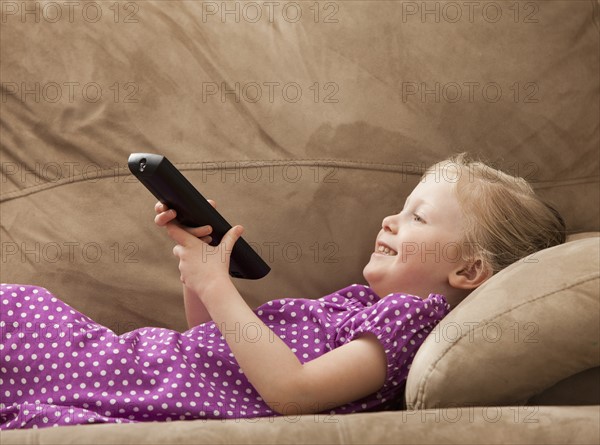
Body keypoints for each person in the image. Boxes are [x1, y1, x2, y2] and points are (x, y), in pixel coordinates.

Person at [0, 153, 566, 429]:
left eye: (418, 218)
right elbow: (214, 349)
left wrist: (216, 284)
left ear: (468, 272)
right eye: (400, 209)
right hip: (149, 367)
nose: (390, 220)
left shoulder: (408, 325)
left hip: (137, 380)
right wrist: (197, 273)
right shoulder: (357, 305)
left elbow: (291, 392)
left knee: (18, 313)